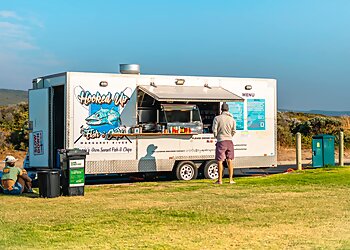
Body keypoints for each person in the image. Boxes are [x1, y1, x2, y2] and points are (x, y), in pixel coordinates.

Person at [212, 102, 236, 184]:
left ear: (221, 109)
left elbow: (214, 130)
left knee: (220, 161)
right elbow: (234, 131)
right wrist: (230, 136)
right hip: (229, 141)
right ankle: (230, 179)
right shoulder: (232, 119)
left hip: (221, 141)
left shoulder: (217, 118)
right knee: (229, 160)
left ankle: (220, 180)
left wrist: (217, 136)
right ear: (228, 109)